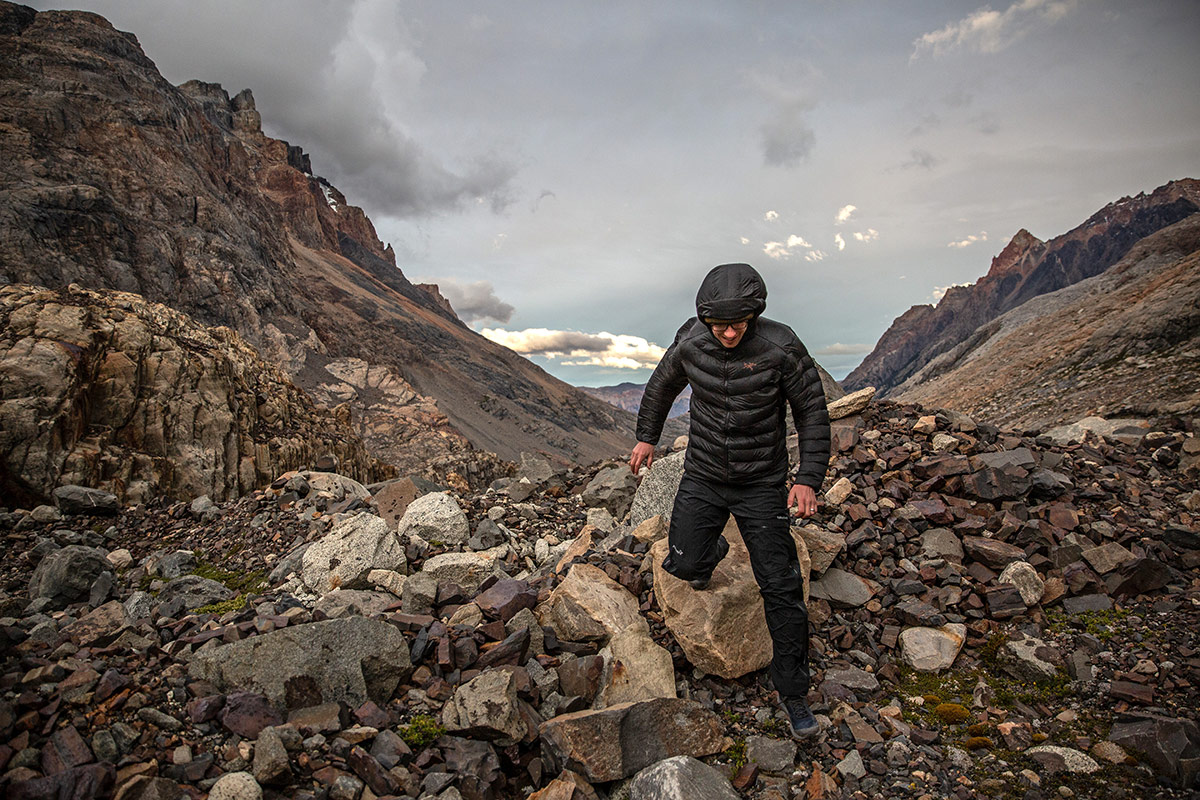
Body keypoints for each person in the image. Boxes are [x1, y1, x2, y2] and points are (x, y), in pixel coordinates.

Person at [629, 262, 830, 738]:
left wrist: (808, 479)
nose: (728, 332)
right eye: (718, 324)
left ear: (755, 314)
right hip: (702, 474)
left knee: (779, 586)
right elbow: (661, 387)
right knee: (682, 564)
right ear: (703, 319)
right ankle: (708, 551)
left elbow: (812, 413)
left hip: (761, 483)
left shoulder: (781, 347)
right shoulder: (691, 341)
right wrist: (646, 438)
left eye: (737, 323)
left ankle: (794, 695)